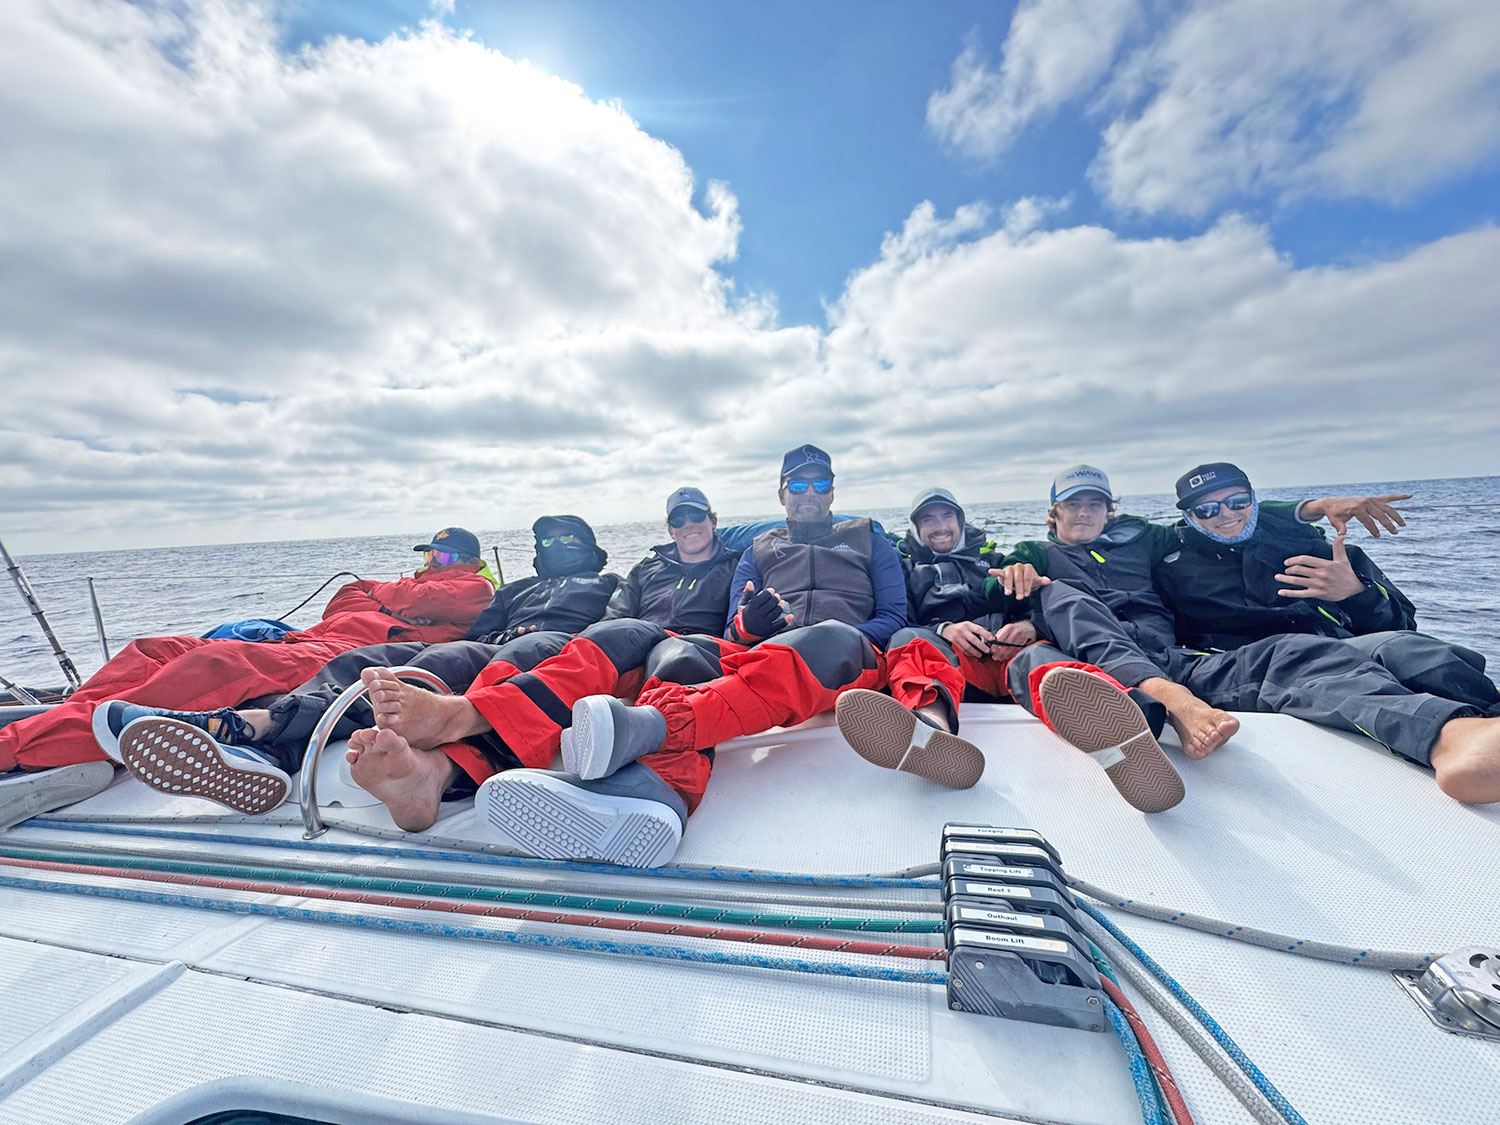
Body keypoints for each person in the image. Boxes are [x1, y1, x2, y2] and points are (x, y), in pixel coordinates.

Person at [93, 498, 743, 866]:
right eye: (546, 543)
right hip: (501, 644)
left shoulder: (614, 583)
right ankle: (256, 734)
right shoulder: (531, 586)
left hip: (560, 648)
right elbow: (484, 630)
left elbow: (620, 628)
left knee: (520, 660)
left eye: (566, 541)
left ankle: (436, 760)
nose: (555, 550)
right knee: (384, 659)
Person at [0, 527, 496, 786]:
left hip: (341, 653)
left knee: (213, 667)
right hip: (303, 638)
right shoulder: (413, 587)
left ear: (469, 562)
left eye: (441, 557)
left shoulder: (474, 588)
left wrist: (383, 593)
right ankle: (61, 718)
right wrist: (384, 594)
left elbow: (407, 597)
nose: (431, 564)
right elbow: (345, 596)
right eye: (428, 555)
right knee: (157, 649)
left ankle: (19, 746)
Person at [1150, 463, 1500, 804]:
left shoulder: (1305, 542)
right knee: (1315, 663)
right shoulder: (1166, 561)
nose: (1226, 514)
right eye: (1207, 509)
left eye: (1237, 501)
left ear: (1253, 499)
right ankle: (1447, 739)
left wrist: (1356, 593)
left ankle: (1490, 722)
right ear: (1189, 516)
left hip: (1335, 646)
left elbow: (1402, 624)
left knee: (1406, 648)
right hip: (1255, 665)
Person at [833, 487, 1036, 788]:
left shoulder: (997, 561)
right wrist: (944, 629)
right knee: (908, 640)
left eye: (947, 516)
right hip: (951, 665)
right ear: (916, 529)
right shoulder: (904, 569)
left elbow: (1034, 606)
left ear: (960, 521)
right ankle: (931, 730)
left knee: (1044, 654)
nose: (940, 526)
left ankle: (1102, 716)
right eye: (928, 519)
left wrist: (1029, 626)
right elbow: (897, 619)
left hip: (1007, 657)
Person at [603, 487, 740, 634]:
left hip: (698, 643)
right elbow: (615, 615)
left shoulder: (736, 568)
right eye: (678, 520)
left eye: (696, 515)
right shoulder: (644, 569)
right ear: (671, 531)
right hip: (641, 639)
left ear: (713, 521)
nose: (688, 524)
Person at [465, 516, 618, 642]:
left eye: (566, 537)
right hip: (506, 647)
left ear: (586, 543)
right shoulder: (512, 591)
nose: (556, 544)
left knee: (533, 645)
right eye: (547, 540)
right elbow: (476, 639)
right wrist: (503, 638)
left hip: (573, 648)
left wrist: (581, 640)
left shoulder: (609, 584)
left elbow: (617, 626)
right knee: (454, 652)